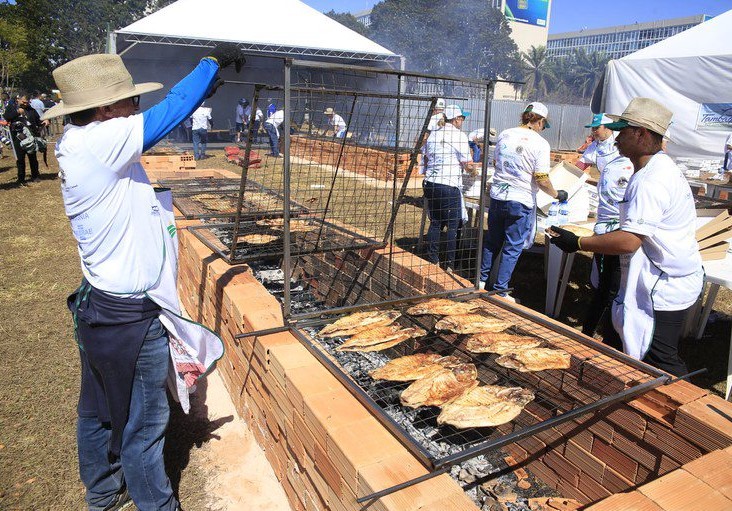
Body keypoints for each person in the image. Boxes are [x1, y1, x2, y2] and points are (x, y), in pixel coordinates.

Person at [43, 45, 243, 510]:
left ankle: (103, 492)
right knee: (145, 421)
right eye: (129, 101)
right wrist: (208, 64)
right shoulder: (101, 140)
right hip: (128, 315)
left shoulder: (80, 141)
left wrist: (203, 88)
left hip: (99, 304)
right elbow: (169, 112)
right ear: (105, 109)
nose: (136, 107)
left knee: (96, 410)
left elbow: (168, 113)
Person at [549, 98, 703, 377]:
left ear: (641, 133)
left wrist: (578, 243)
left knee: (661, 360)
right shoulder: (654, 168)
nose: (617, 138)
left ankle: (687, 409)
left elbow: (629, 240)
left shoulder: (651, 180)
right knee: (616, 340)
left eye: (623, 131)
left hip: (662, 285)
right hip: (651, 276)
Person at [480, 102, 567, 299]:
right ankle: (500, 289)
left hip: (498, 196)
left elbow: (496, 162)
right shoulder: (540, 144)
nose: (543, 129)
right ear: (540, 121)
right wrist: (556, 194)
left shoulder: (505, 134)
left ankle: (481, 281)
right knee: (512, 246)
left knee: (492, 241)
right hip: (520, 200)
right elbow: (542, 178)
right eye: (544, 125)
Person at [575, 113, 634, 337]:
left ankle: (603, 328)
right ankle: (600, 328)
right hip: (607, 225)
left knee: (611, 284)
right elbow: (581, 164)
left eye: (596, 128)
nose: (593, 132)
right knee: (606, 283)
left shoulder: (624, 160)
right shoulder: (602, 151)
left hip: (620, 228)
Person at [422, 104, 478, 271]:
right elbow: (468, 165)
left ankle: (433, 260)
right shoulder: (459, 136)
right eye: (462, 118)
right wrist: (474, 172)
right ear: (456, 119)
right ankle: (450, 265)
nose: (463, 121)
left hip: (431, 183)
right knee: (454, 225)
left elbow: (426, 158)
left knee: (436, 223)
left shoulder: (433, 135)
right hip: (448, 185)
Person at [3, 94, 44, 186]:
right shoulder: (11, 107)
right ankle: (21, 178)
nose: (25, 104)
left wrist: (43, 122)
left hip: (30, 136)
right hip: (18, 137)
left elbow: (38, 120)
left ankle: (35, 175)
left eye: (27, 102)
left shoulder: (31, 110)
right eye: (23, 102)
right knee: (20, 158)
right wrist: (17, 112)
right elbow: (6, 117)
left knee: (32, 157)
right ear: (18, 99)